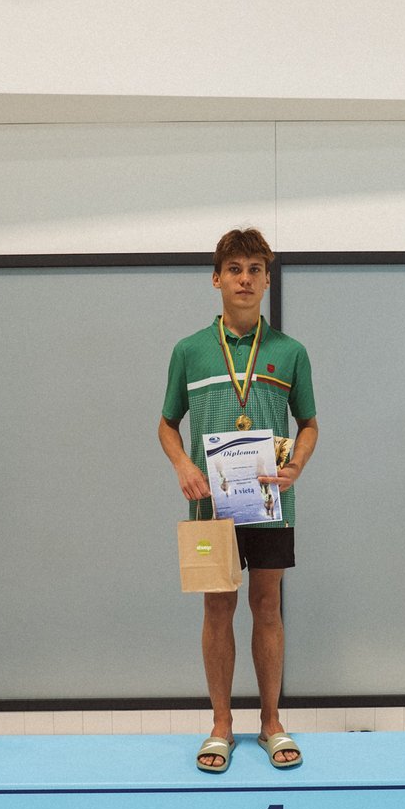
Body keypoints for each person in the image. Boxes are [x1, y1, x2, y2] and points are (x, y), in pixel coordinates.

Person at [160, 228, 318, 773]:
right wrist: (183, 466)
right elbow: (166, 424)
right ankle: (221, 725)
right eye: (234, 269)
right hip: (211, 508)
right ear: (216, 279)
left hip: (270, 506)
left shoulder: (290, 353)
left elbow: (310, 424)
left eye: (254, 269)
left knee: (268, 607)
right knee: (217, 608)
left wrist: (296, 465)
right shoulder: (189, 351)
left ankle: (271, 722)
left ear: (267, 280)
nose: (244, 279)